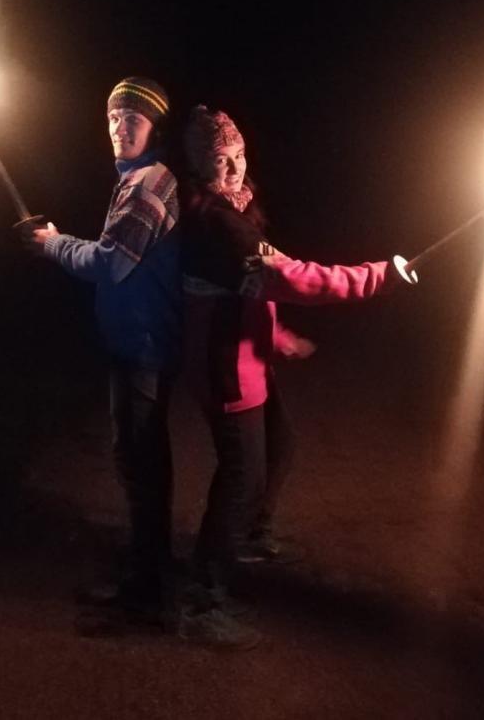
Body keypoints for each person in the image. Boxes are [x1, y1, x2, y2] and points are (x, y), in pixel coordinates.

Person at [178, 105, 412, 631]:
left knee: (279, 447)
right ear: (198, 164)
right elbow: (287, 278)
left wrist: (276, 336)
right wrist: (376, 277)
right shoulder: (214, 221)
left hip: (248, 359)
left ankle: (249, 537)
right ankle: (202, 598)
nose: (234, 167)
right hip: (224, 368)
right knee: (241, 476)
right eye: (220, 159)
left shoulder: (237, 207)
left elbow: (247, 288)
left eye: (239, 154)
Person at [22, 76, 180, 628]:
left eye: (133, 119)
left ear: (154, 128)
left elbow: (110, 263)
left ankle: (147, 594)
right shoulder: (134, 179)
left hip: (143, 346)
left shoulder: (150, 184)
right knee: (139, 461)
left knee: (140, 465)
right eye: (114, 117)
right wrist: (61, 240)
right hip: (133, 342)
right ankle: (147, 576)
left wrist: (52, 244)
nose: (120, 127)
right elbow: (115, 253)